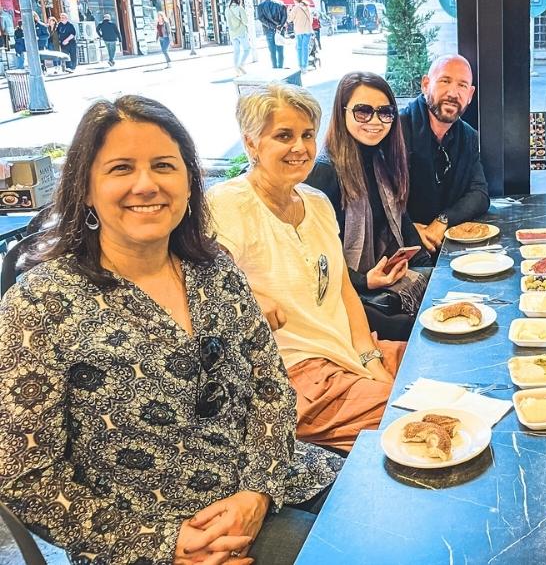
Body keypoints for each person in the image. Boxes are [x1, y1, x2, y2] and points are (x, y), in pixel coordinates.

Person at [0, 95, 341, 564]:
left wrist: (257, 494)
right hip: (144, 532)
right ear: (84, 188)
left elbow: (270, 388)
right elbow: (23, 475)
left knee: (394, 508)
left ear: (187, 181)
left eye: (164, 165)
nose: (146, 184)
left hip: (272, 482)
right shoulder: (39, 306)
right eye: (121, 168)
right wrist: (165, 542)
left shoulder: (214, 268)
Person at [207, 84, 406, 452]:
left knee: (443, 369)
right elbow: (210, 286)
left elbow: (344, 289)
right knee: (415, 417)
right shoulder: (228, 203)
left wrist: (369, 357)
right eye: (284, 135)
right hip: (295, 376)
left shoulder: (316, 202)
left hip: (345, 351)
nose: (299, 147)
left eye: (307, 135)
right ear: (251, 143)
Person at [306, 72, 431, 341]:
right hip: (345, 294)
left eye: (385, 112)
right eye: (363, 111)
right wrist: (365, 281)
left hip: (383, 279)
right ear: (342, 113)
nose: (375, 121)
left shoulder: (382, 159)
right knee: (420, 330)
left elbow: (401, 219)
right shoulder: (325, 173)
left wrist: (425, 264)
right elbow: (316, 258)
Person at [400, 54, 489, 253]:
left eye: (462, 85)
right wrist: (408, 228)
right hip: (398, 250)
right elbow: (375, 198)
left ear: (470, 94)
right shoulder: (397, 131)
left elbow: (479, 194)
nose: (453, 93)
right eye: (445, 81)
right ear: (425, 84)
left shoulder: (468, 136)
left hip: (446, 247)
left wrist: (443, 220)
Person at [256, 0, 287, 69]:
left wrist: (273, 26)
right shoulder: (281, 3)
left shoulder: (261, 6)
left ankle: (275, 68)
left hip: (269, 30)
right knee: (280, 50)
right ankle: (280, 68)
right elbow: (284, 16)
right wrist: (280, 26)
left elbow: (261, 19)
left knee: (272, 51)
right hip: (280, 30)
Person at [225, 0, 250, 75]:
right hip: (241, 32)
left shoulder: (227, 9)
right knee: (247, 49)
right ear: (239, 0)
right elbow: (245, 21)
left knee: (236, 51)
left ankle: (236, 71)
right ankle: (241, 65)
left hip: (232, 33)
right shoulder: (240, 8)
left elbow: (228, 22)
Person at [288, 0, 314, 73]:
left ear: (295, 0)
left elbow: (289, 19)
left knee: (299, 48)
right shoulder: (308, 7)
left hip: (299, 31)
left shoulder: (295, 8)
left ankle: (300, 66)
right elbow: (311, 20)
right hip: (308, 30)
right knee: (305, 48)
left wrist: (288, 10)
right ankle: (305, 66)